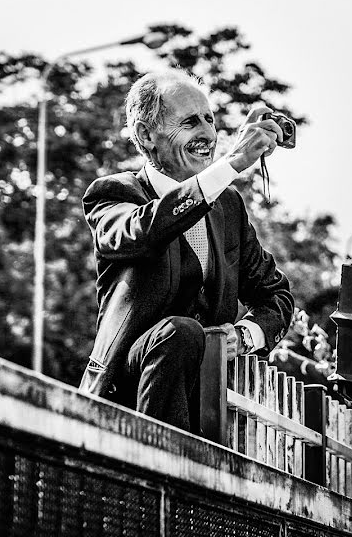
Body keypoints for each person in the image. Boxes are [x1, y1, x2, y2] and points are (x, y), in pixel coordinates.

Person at [78, 69, 294, 433]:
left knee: (192, 335)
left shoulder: (228, 207)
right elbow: (142, 232)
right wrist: (232, 164)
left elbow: (277, 296)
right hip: (123, 399)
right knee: (181, 332)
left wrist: (239, 338)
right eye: (190, 123)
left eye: (209, 120)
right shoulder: (113, 194)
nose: (208, 135)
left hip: (208, 410)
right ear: (147, 135)